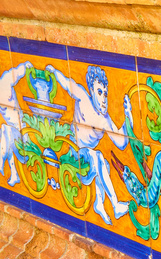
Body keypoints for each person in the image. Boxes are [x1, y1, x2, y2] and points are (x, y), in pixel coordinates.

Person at [46, 64, 132, 225]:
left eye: (105, 94)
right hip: (72, 155)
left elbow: (121, 142)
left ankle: (99, 204)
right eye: (99, 92)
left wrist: (128, 117)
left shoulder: (104, 119)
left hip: (86, 159)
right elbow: (66, 82)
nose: (103, 99)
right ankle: (115, 205)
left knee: (103, 164)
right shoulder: (83, 98)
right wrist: (54, 71)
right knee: (97, 156)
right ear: (91, 91)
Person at [0, 61, 33, 186]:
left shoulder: (5, 81)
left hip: (25, 141)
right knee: (5, 131)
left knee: (5, 130)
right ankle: (13, 173)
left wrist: (25, 66)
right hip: (13, 137)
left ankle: (2, 163)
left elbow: (17, 73)